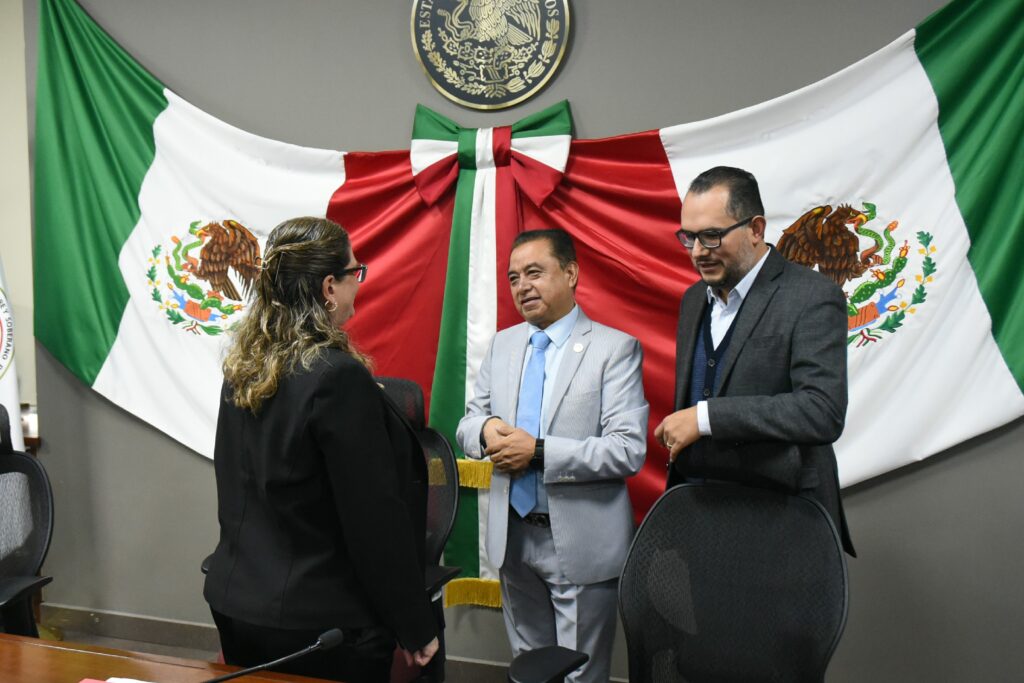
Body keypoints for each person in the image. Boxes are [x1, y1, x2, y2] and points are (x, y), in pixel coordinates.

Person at [203, 217, 438, 682]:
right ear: (329, 287)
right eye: (355, 272)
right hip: (318, 624)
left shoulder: (244, 368)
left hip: (236, 601)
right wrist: (414, 623)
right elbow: (373, 519)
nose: (358, 283)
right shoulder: (337, 377)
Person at [456, 229, 649, 683]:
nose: (522, 286)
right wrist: (484, 429)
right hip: (513, 539)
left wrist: (538, 452)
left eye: (534, 273)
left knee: (580, 674)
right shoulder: (503, 345)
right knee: (529, 669)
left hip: (580, 544)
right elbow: (467, 423)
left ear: (571, 273)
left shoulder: (614, 349)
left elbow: (627, 449)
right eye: (513, 278)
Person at [655, 166, 855, 555]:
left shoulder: (812, 297)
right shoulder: (693, 300)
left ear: (756, 229)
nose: (698, 252)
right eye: (689, 237)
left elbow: (822, 410)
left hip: (786, 523)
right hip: (702, 522)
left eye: (712, 236)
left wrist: (704, 417)